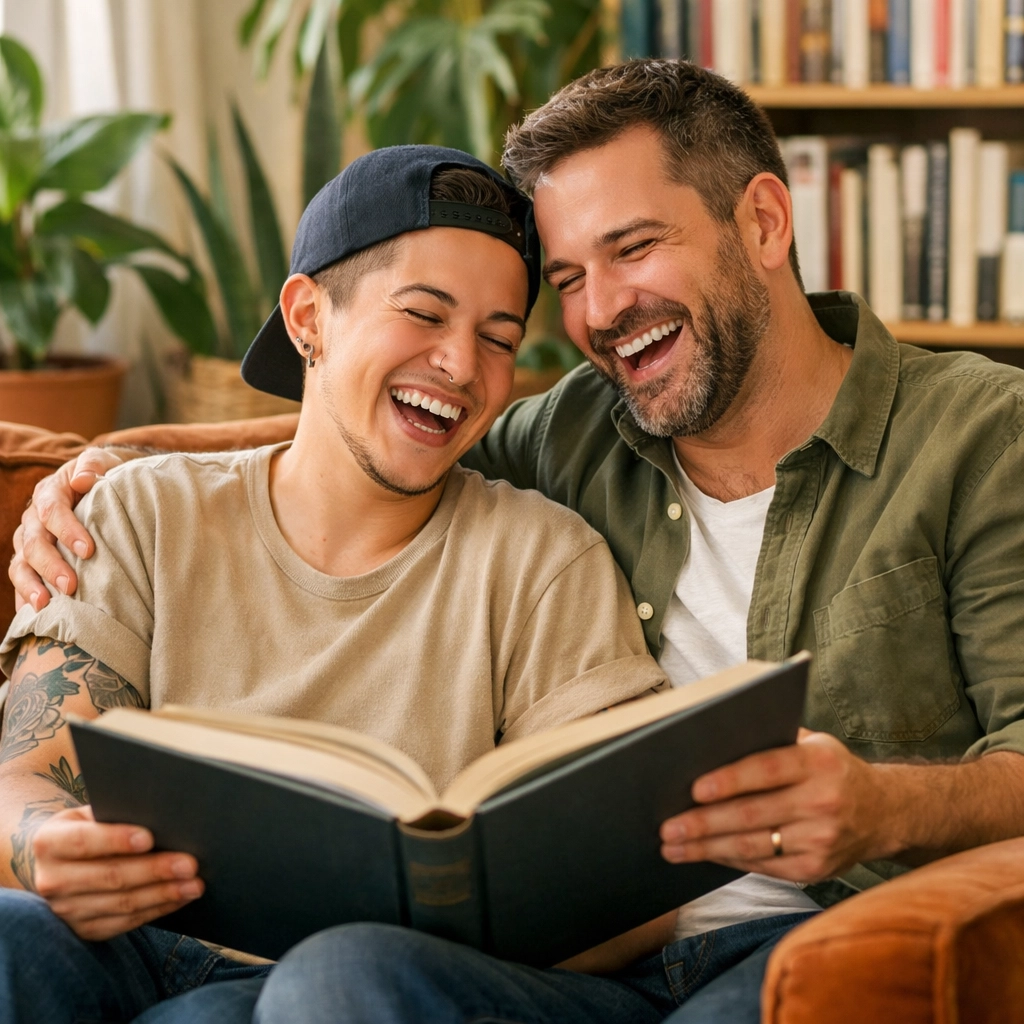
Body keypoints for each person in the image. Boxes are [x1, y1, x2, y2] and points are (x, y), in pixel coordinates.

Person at [12, 60, 1024, 1023]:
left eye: (633, 248)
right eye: (572, 276)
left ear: (762, 219)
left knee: (339, 976)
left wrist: (882, 805)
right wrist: (95, 463)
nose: (599, 313)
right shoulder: (580, 427)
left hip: (814, 935)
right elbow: (370, 435)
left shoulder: (979, 436)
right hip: (586, 976)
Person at [0, 145, 667, 1024]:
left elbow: (623, 890)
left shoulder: (544, 562)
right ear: (308, 316)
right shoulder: (136, 511)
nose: (463, 368)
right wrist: (46, 845)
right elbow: (27, 775)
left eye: (500, 339)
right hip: (140, 945)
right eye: (424, 314)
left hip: (386, 982)